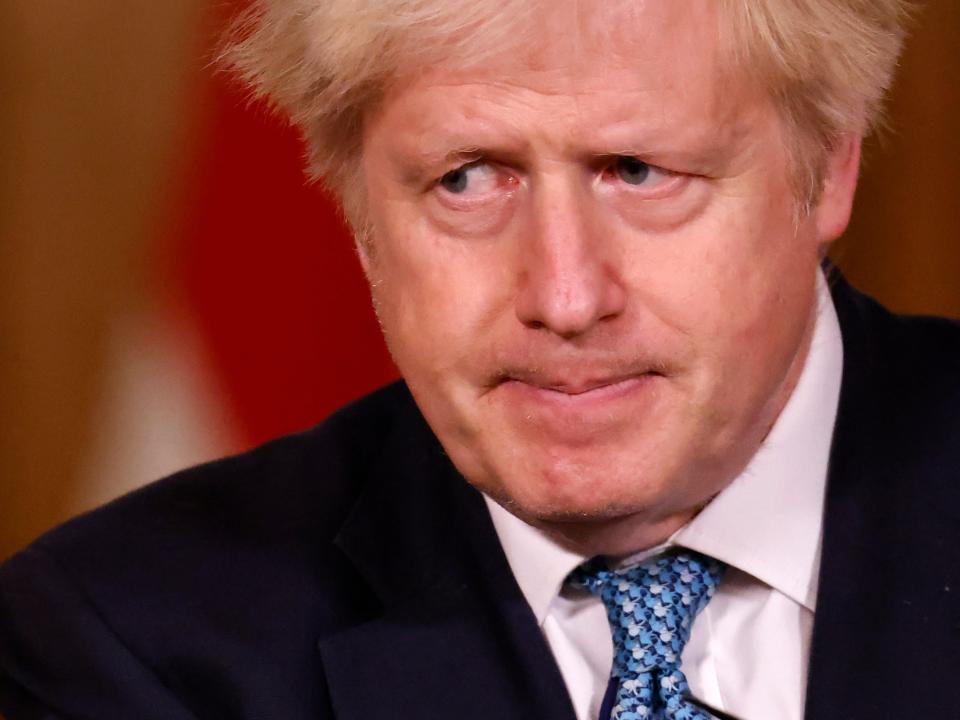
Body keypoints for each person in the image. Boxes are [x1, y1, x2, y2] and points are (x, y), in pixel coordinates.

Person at [1, 1, 957, 718]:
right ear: (358, 210)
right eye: (465, 180)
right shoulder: (132, 642)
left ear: (829, 163)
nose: (566, 297)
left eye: (639, 172)